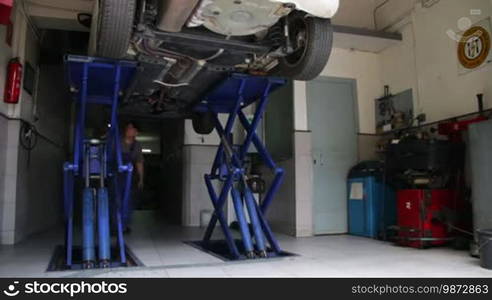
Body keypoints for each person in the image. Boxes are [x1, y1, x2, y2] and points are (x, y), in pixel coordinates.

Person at [120, 121, 145, 232]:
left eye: (131, 128)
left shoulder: (137, 145)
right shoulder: (117, 142)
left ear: (136, 132)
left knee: (129, 201)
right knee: (117, 200)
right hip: (117, 175)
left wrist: (141, 179)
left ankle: (125, 224)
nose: (128, 129)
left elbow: (139, 162)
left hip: (131, 177)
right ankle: (115, 224)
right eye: (127, 127)